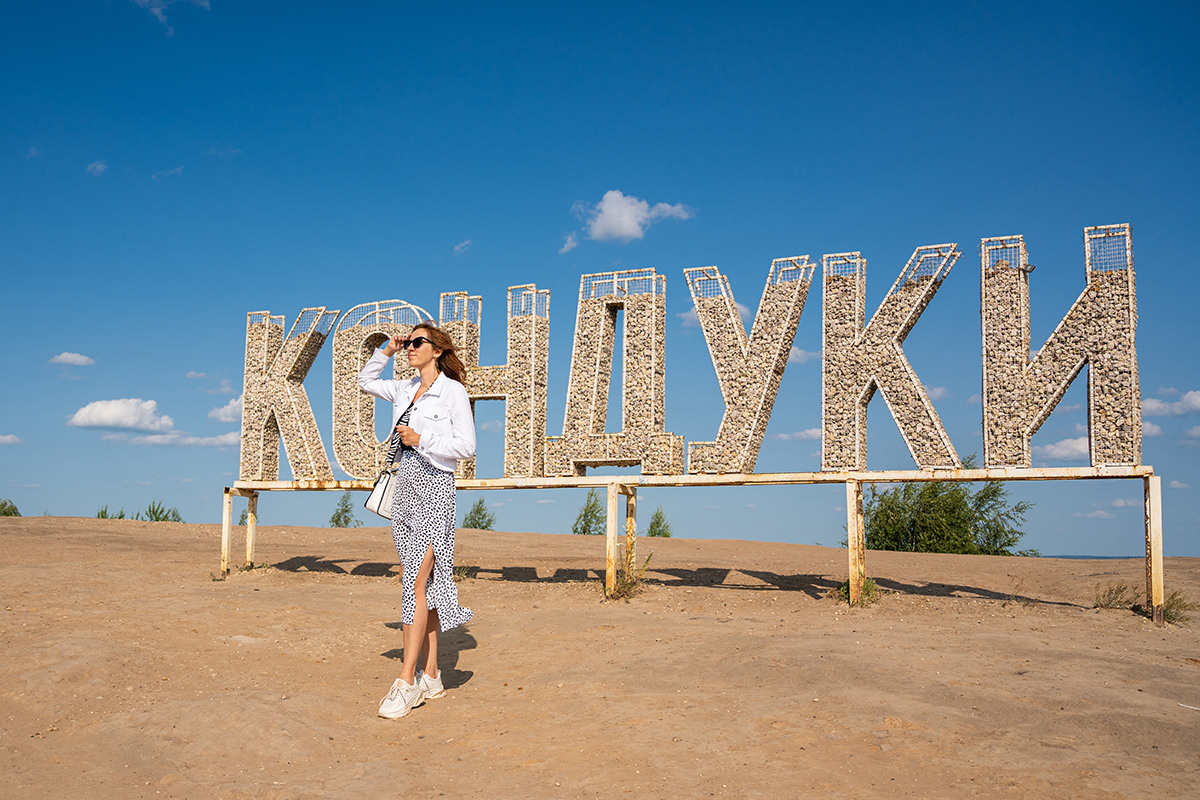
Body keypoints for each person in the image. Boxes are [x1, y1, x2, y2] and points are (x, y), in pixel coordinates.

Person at [357, 324, 476, 719]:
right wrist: (387, 350)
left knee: (414, 582)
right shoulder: (404, 388)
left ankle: (406, 681)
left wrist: (421, 439)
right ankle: (432, 673)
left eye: (416, 342)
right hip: (404, 488)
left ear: (437, 350)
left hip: (435, 487)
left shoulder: (453, 391)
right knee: (421, 582)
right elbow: (365, 380)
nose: (410, 347)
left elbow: (467, 447)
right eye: (407, 342)